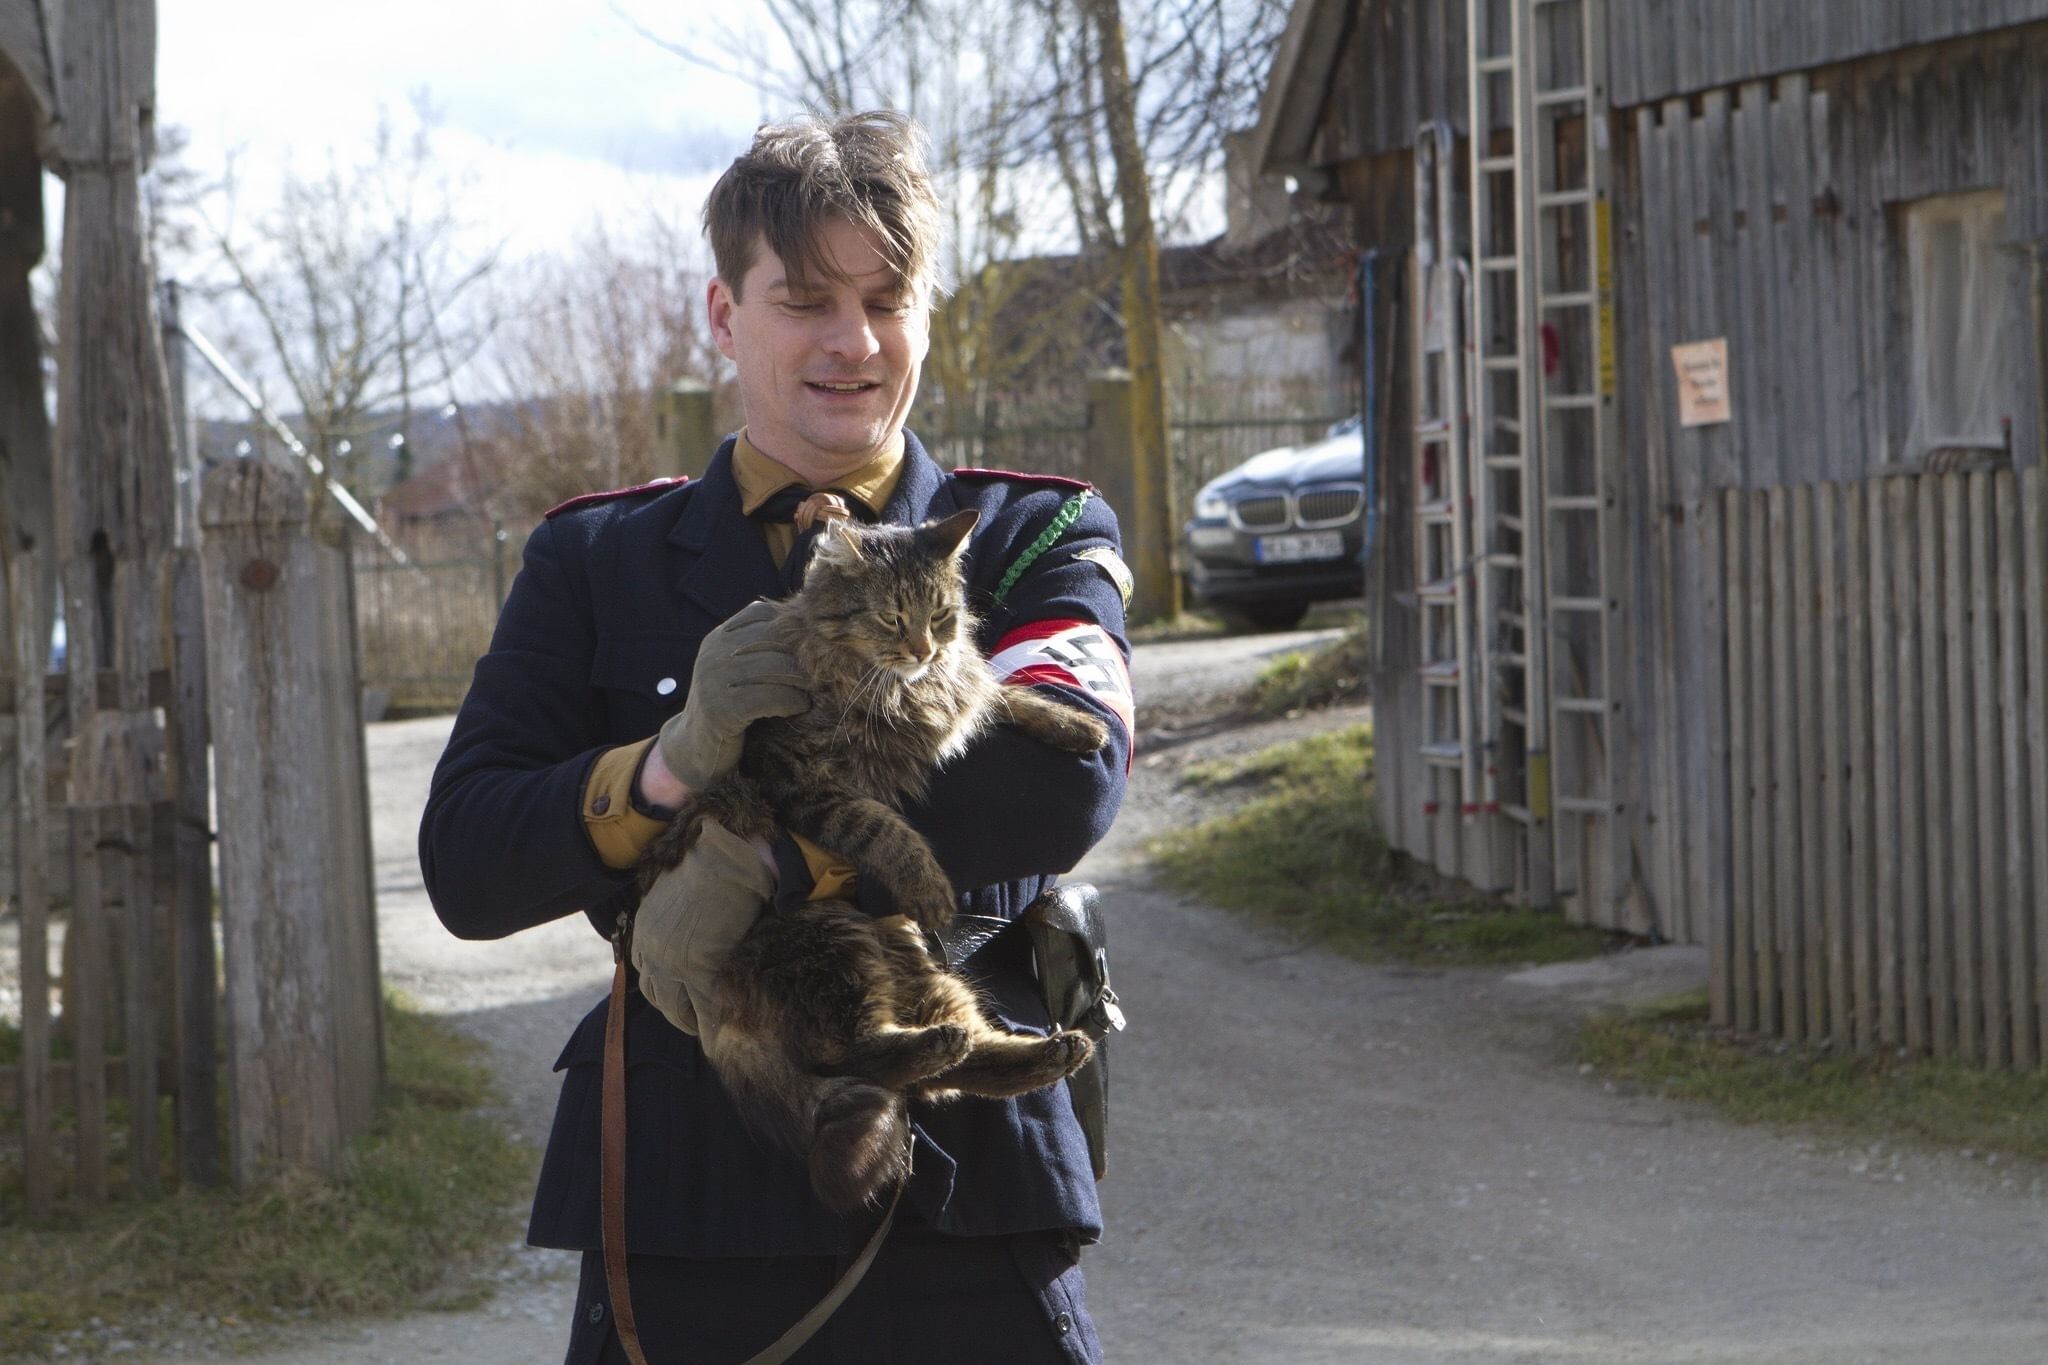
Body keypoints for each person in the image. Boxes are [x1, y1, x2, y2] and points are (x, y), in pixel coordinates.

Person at [420, 109, 1135, 1365]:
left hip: (968, 1183)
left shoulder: (1027, 538)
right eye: (804, 299)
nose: (852, 342)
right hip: (686, 1183)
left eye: (887, 297)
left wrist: (753, 858)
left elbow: (1056, 789)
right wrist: (668, 767)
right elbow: (469, 863)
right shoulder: (595, 558)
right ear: (721, 314)